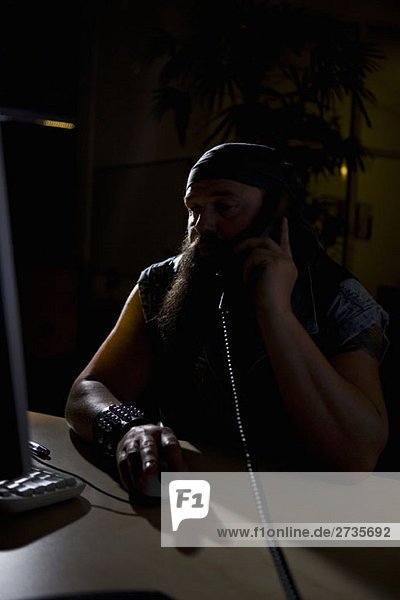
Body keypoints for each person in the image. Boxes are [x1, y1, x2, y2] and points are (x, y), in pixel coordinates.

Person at [65, 143, 389, 496]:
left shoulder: (338, 298)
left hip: (305, 511)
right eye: (194, 209)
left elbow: (357, 456)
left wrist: (275, 312)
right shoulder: (159, 286)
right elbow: (85, 392)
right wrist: (127, 427)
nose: (202, 225)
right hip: (190, 496)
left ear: (275, 212)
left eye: (224, 206)